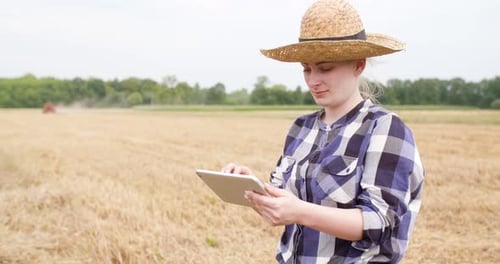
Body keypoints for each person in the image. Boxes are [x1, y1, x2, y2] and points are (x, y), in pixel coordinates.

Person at [222, 0, 424, 263]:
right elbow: (286, 206)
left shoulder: (385, 128)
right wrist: (255, 187)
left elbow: (379, 223)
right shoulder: (301, 128)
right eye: (306, 69)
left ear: (359, 65)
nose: (312, 80)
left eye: (325, 68)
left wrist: (300, 212)